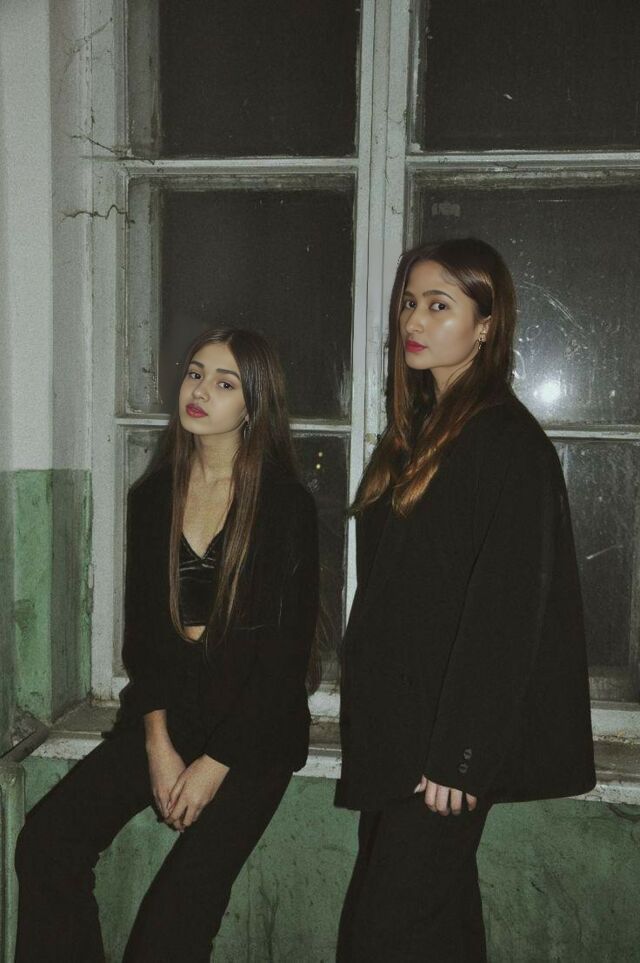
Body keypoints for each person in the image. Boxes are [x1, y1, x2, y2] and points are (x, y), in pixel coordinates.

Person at [14, 328, 320, 962]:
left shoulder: (285, 506)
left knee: (170, 929)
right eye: (195, 373)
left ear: (254, 405)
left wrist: (212, 766)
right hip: (169, 716)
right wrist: (157, 744)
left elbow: (282, 666)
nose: (199, 390)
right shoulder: (153, 497)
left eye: (224, 382)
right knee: (47, 843)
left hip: (255, 735)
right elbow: (146, 641)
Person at [334, 237, 596, 962]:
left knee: (381, 936)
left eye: (438, 304)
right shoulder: (419, 436)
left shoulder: (506, 441)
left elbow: (506, 612)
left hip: (442, 753)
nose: (413, 320)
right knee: (438, 932)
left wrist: (462, 754)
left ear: (485, 325)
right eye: (409, 303)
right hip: (402, 736)